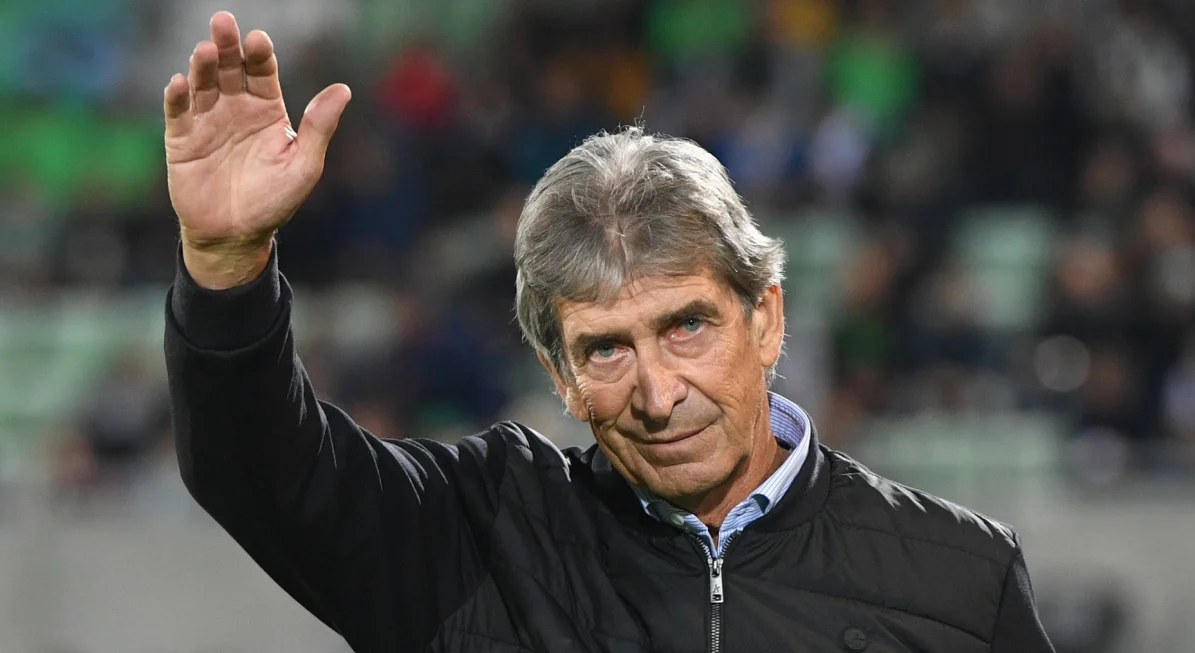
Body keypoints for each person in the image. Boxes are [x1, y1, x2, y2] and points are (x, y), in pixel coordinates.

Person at [163, 11, 1056, 653]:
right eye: (605, 348)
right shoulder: (475, 536)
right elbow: (263, 474)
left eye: (687, 325)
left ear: (767, 317)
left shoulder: (958, 580)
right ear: (558, 372)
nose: (659, 394)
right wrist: (226, 262)